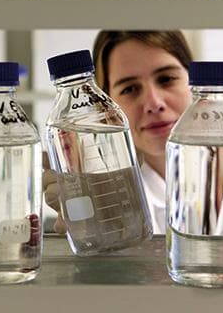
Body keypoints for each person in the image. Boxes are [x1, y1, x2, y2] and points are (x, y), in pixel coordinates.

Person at [43, 30, 194, 234]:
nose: (154, 103)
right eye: (130, 89)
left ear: (194, 81)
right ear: (106, 107)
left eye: (166, 79)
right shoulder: (110, 197)